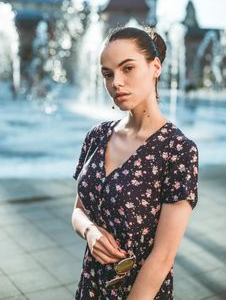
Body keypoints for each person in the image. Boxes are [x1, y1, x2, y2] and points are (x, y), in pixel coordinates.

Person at [71, 26, 199, 300]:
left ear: (155, 67)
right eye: (108, 74)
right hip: (90, 287)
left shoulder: (177, 150)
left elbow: (163, 256)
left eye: (127, 68)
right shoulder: (96, 135)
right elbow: (78, 211)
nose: (116, 82)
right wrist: (90, 232)